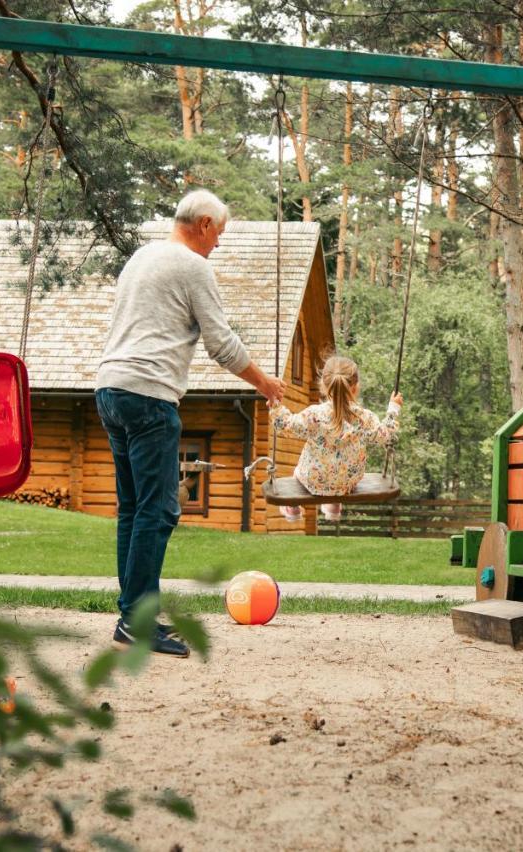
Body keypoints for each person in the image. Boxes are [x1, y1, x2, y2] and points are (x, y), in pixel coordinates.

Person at [95, 189, 285, 657]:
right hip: (148, 396)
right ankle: (137, 621)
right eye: (218, 234)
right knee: (158, 511)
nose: (218, 244)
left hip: (110, 388)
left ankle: (130, 618)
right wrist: (265, 383)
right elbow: (221, 343)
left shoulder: (142, 257)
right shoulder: (192, 266)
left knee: (133, 509)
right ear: (202, 224)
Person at [269, 354, 402, 523]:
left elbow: (285, 425)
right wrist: (393, 408)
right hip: (347, 483)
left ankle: (293, 508)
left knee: (299, 471)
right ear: (355, 388)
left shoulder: (314, 415)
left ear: (324, 386)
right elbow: (385, 435)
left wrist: (275, 405)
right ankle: (333, 506)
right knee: (339, 468)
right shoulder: (364, 418)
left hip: (313, 481)